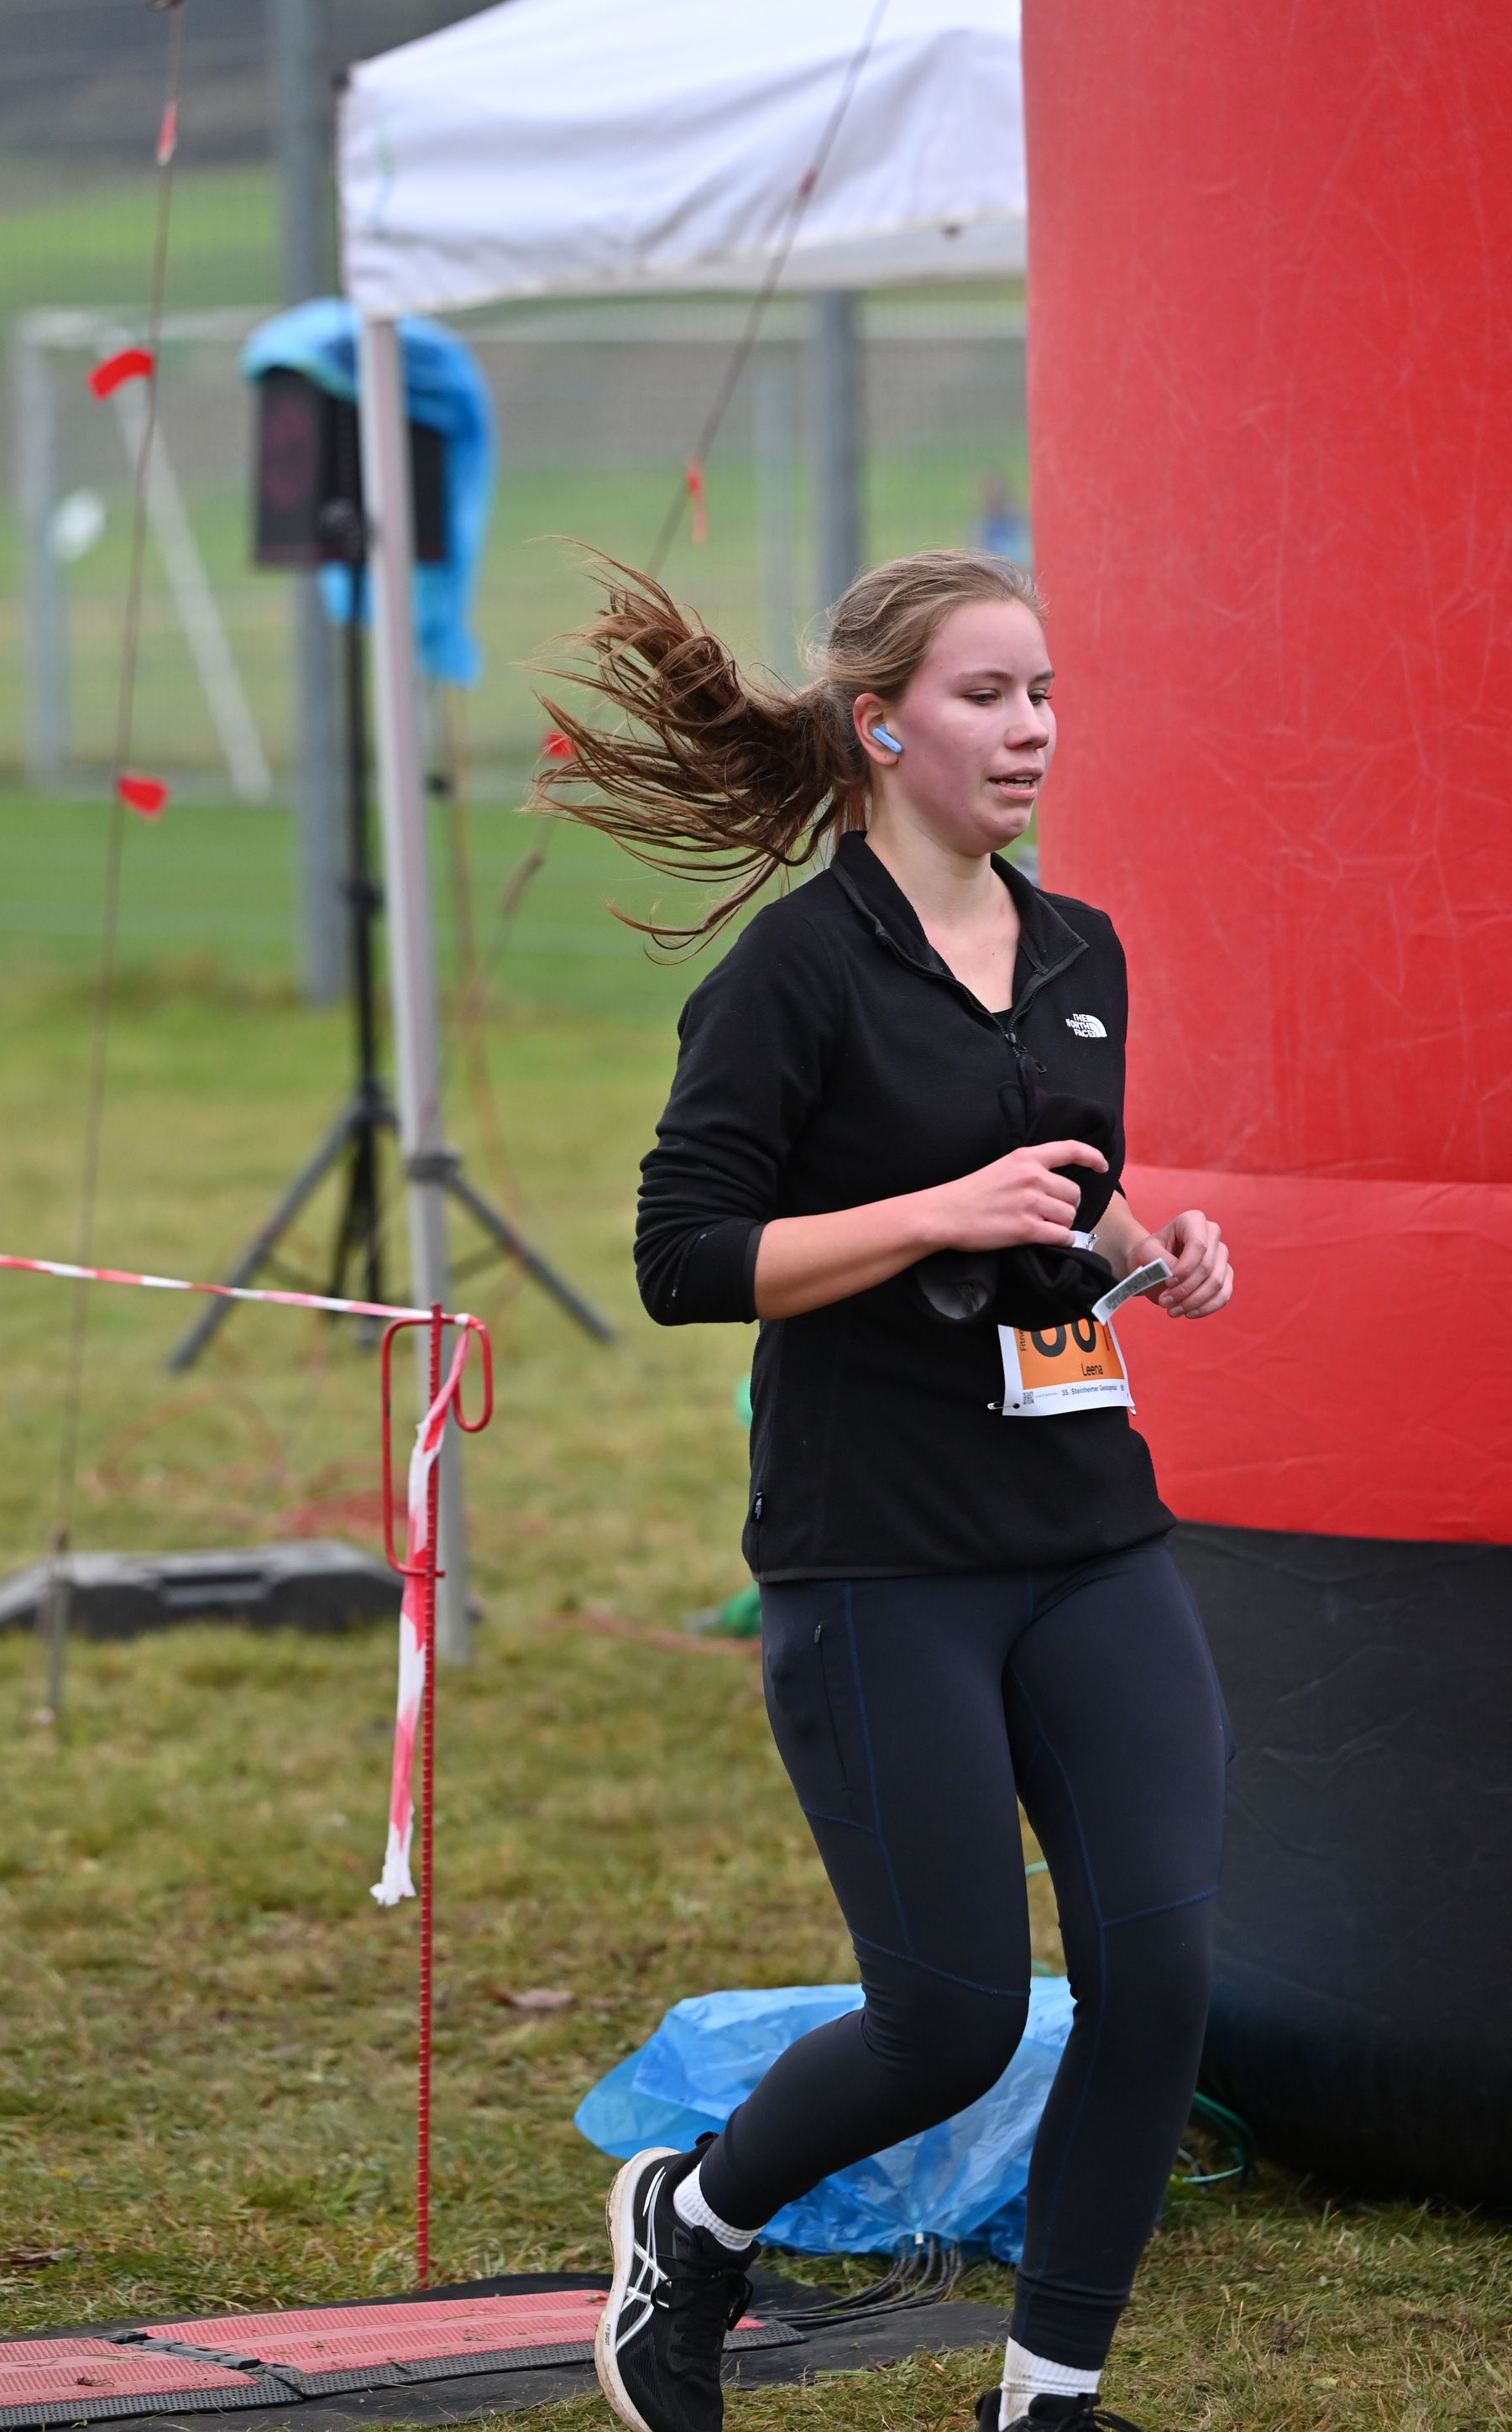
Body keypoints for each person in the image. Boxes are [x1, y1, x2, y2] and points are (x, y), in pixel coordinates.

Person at [534, 549, 1234, 2432]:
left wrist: (1147, 1248)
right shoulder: (796, 969)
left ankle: (1046, 2398)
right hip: (878, 1556)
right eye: (988, 696)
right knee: (953, 2018)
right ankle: (693, 2218)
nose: (1033, 729)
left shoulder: (1078, 946)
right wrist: (932, 1211)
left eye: (1044, 692)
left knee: (1161, 1980)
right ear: (880, 727)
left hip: (1089, 1531)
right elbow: (682, 1257)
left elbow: (1059, 1189)